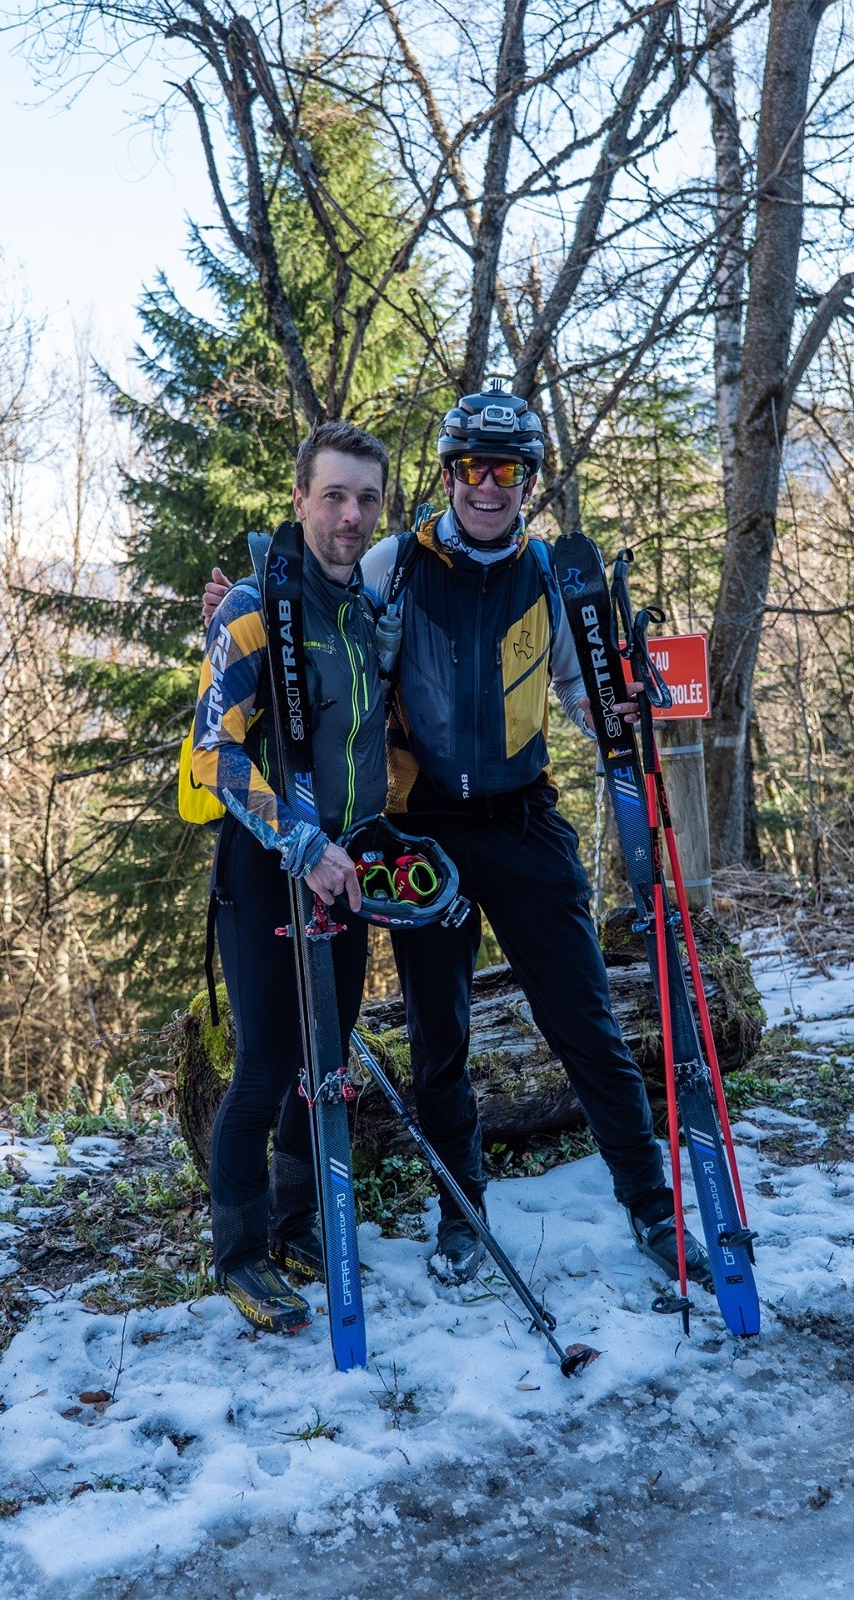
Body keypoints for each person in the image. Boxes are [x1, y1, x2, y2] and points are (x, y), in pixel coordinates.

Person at [204, 387, 710, 1294]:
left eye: (506, 469)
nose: (488, 485)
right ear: (447, 474)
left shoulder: (550, 574)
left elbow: (575, 688)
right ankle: (459, 1208)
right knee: (439, 1036)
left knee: (584, 1019)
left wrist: (621, 714)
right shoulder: (396, 561)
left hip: (522, 820)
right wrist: (234, 604)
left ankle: (651, 1202)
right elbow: (297, 626)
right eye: (472, 466)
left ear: (528, 482)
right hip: (420, 824)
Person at [191, 419, 389, 1332]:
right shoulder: (250, 609)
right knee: (269, 1063)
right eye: (334, 495)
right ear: (301, 497)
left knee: (327, 1059)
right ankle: (239, 1252)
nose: (350, 516)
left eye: (365, 498)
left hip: (347, 866)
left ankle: (301, 1218)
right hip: (270, 869)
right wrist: (299, 846)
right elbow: (214, 756)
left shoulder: (368, 614)